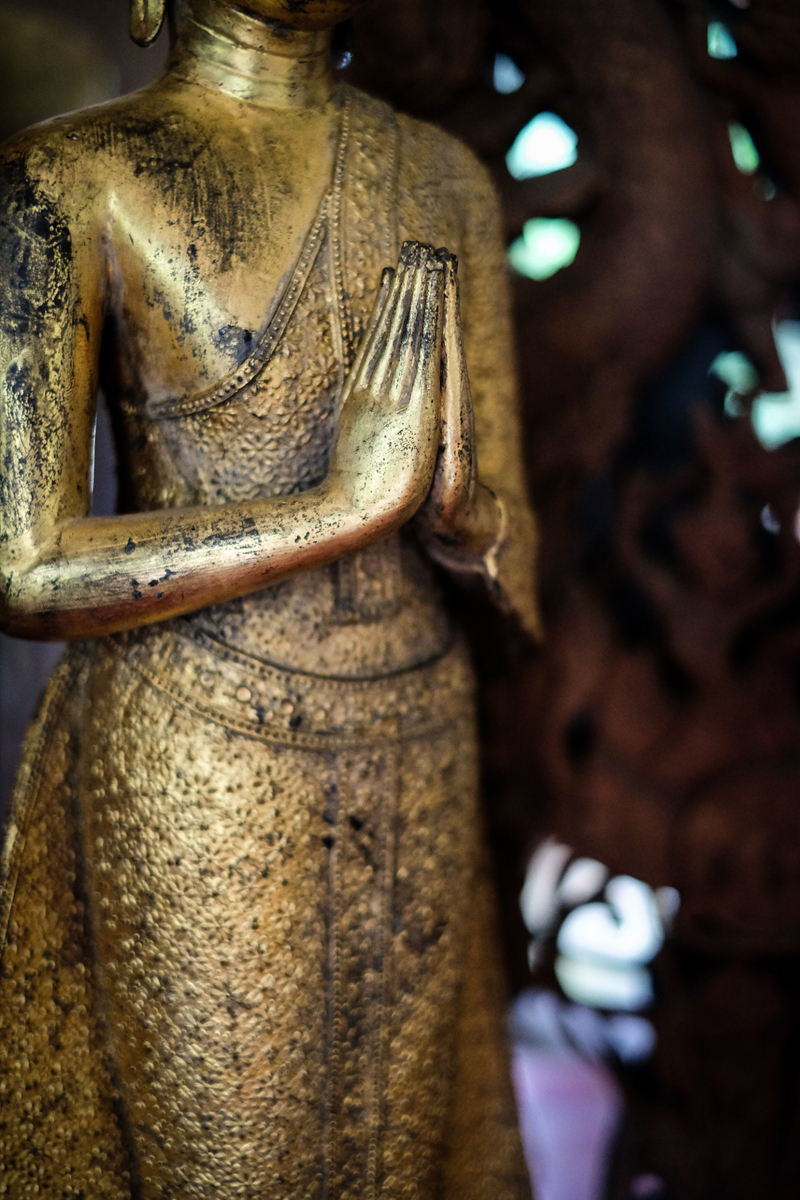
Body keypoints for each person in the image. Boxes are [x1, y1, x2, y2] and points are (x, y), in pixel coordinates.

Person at [0, 1, 539, 1195]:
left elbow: (516, 553)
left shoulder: (443, 177)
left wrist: (456, 509)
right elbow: (23, 565)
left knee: (405, 1158)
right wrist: (340, 511)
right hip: (204, 751)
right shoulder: (69, 176)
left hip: (418, 735)